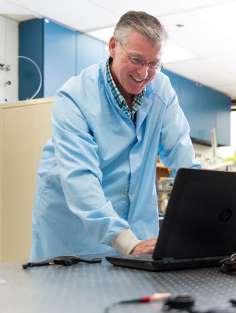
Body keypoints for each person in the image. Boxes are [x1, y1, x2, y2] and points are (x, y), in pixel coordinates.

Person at [29, 11, 200, 261]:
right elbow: (81, 179)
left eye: (154, 64)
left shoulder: (161, 90)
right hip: (74, 238)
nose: (144, 73)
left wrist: (206, 219)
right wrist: (126, 241)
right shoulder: (75, 98)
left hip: (138, 236)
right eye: (136, 60)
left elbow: (184, 159)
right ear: (112, 46)